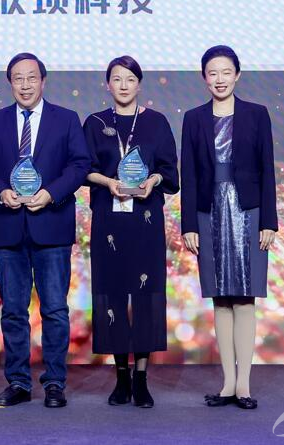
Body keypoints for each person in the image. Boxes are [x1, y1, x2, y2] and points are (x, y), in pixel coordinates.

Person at [0, 52, 90, 409]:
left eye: (31, 78)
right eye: (18, 79)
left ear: (43, 81)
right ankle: (19, 382)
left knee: (54, 309)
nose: (25, 85)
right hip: (9, 227)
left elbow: (80, 164)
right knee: (13, 311)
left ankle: (54, 382)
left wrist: (51, 193)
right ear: (10, 83)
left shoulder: (66, 119)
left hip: (52, 225)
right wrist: (0, 192)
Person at [180, 45, 279, 411]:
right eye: (212, 73)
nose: (219, 79)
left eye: (226, 72)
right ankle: (227, 383)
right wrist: (189, 224)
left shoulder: (257, 114)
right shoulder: (193, 118)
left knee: (245, 298)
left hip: (248, 211)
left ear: (237, 74)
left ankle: (245, 386)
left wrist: (269, 221)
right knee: (220, 298)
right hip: (209, 213)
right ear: (204, 78)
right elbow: (189, 175)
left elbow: (267, 169)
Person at [83, 56, 179, 409]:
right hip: (109, 219)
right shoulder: (95, 123)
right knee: (112, 294)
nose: (123, 85)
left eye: (129, 79)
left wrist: (152, 179)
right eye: (116, 79)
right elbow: (83, 168)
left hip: (145, 220)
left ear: (139, 84)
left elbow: (169, 172)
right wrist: (108, 182)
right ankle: (121, 376)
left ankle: (141, 377)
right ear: (107, 84)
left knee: (144, 295)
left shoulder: (156, 122)